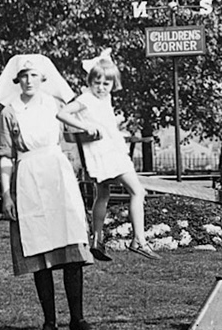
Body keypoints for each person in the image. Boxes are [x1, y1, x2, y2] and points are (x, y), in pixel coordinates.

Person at [0, 52, 100, 330]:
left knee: (72, 250)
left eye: (33, 75)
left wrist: (96, 134)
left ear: (42, 79)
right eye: (24, 76)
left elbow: (75, 135)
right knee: (40, 251)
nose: (28, 81)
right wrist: (6, 194)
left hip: (58, 176)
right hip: (27, 178)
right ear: (17, 80)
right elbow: (5, 156)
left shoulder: (56, 105)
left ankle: (78, 320)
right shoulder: (9, 112)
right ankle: (49, 322)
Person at [61, 50, 158, 262]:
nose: (102, 87)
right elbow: (62, 113)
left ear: (113, 85)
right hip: (106, 155)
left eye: (107, 83)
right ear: (90, 81)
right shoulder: (86, 98)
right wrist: (85, 125)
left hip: (106, 152)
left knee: (103, 194)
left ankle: (97, 239)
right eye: (97, 82)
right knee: (137, 191)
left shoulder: (106, 99)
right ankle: (139, 240)